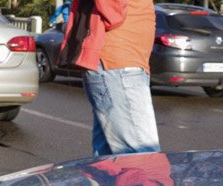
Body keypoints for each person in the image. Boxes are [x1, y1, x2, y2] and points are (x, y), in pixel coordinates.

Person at [59, 0, 159, 156]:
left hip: (121, 65)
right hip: (118, 65)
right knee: (143, 156)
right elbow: (113, 13)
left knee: (106, 161)